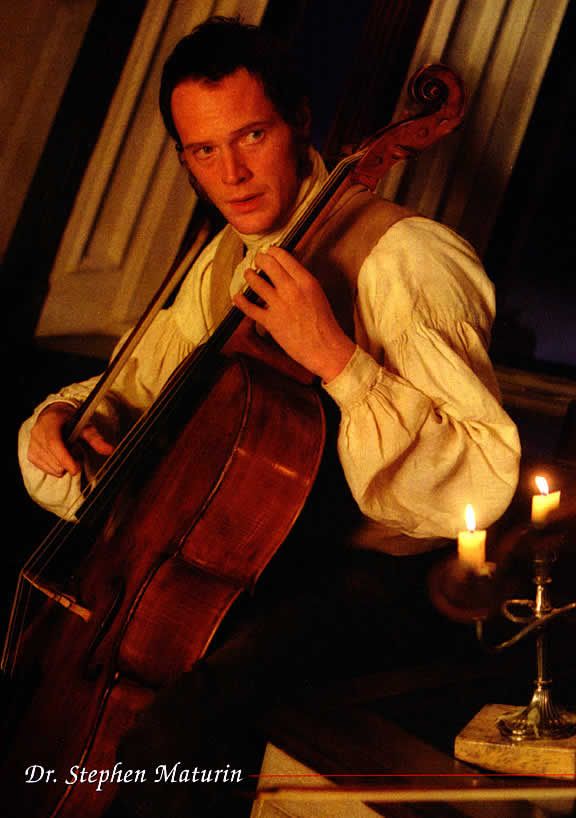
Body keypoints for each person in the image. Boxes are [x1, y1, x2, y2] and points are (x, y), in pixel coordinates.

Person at [17, 16, 520, 817]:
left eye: (251, 135)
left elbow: (481, 473)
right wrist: (62, 420)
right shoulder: (219, 258)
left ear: (299, 123)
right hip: (251, 559)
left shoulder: (407, 256)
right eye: (203, 151)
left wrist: (338, 361)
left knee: (172, 732)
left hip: (375, 578)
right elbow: (134, 389)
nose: (233, 174)